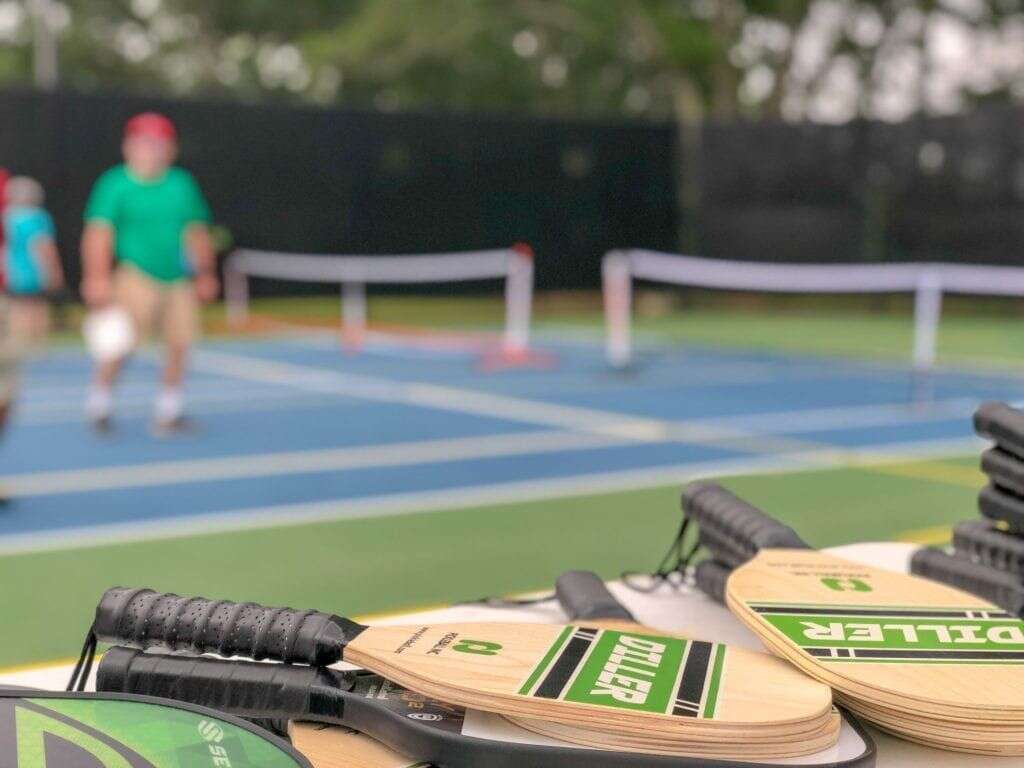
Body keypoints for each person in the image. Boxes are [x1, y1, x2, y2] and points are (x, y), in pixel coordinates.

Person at [81, 112, 217, 434]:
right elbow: (98, 233)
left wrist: (205, 273)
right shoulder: (115, 183)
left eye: (157, 143)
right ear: (128, 146)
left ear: (170, 148)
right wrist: (97, 277)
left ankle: (169, 410)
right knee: (120, 344)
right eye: (143, 142)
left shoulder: (181, 184)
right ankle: (100, 403)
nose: (150, 150)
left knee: (179, 344)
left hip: (177, 278)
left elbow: (196, 231)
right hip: (135, 275)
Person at [2, 176, 64, 351]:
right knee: (37, 307)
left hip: (12, 270)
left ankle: (21, 346)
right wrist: (54, 271)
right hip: (33, 270)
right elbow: (44, 246)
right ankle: (36, 348)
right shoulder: (37, 218)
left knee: (18, 308)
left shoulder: (7, 217)